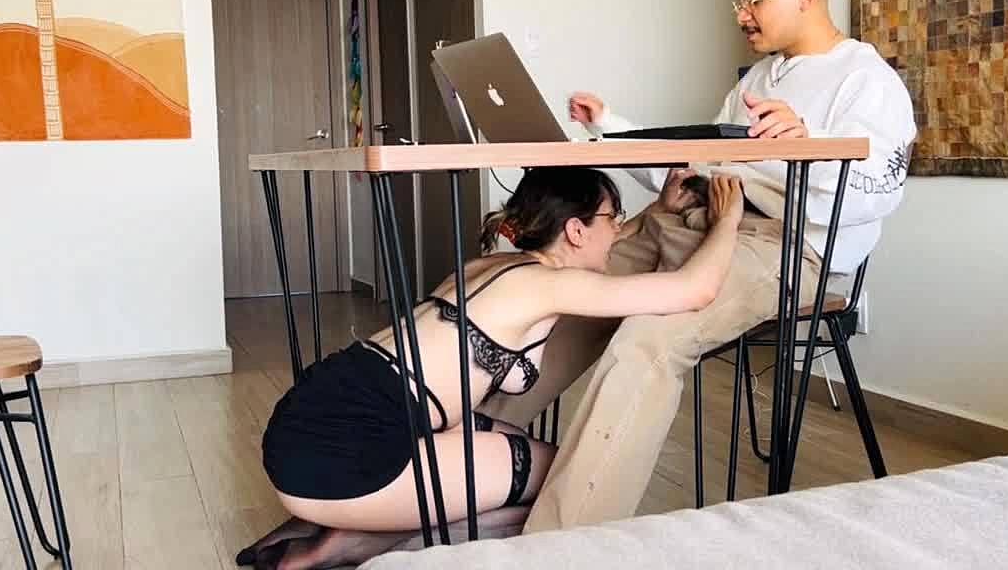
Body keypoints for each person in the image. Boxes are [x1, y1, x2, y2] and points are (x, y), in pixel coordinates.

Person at [474, 0, 919, 533]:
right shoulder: (757, 82)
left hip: (788, 248)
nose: (742, 14)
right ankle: (472, 463)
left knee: (646, 341)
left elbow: (877, 195)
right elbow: (701, 163)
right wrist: (611, 126)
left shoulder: (866, 81)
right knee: (553, 292)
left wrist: (808, 147)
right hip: (700, 218)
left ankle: (557, 542)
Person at [237, 166, 747, 569]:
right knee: (565, 482)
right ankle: (347, 544)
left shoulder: (497, 264)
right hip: (342, 457)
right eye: (614, 218)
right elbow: (696, 289)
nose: (619, 229)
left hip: (310, 417)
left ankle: (338, 532)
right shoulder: (551, 285)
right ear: (575, 229)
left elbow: (596, 248)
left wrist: (655, 211)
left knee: (538, 458)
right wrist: (727, 220)